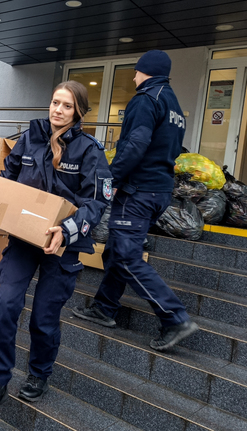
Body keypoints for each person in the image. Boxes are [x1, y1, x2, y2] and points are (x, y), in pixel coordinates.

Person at [0, 81, 112, 419]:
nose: (58, 110)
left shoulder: (89, 149)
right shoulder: (29, 138)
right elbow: (7, 179)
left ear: (78, 111)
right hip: (24, 241)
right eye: (55, 102)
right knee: (7, 305)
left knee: (44, 319)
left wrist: (65, 231)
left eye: (67, 106)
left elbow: (97, 203)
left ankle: (39, 375)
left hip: (62, 247)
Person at [72, 50, 199, 351]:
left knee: (127, 256)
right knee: (118, 249)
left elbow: (136, 143)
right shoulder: (174, 104)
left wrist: (112, 179)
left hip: (138, 191)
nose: (133, 76)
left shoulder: (146, 99)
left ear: (147, 72)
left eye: (137, 71)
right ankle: (104, 307)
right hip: (159, 191)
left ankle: (175, 318)